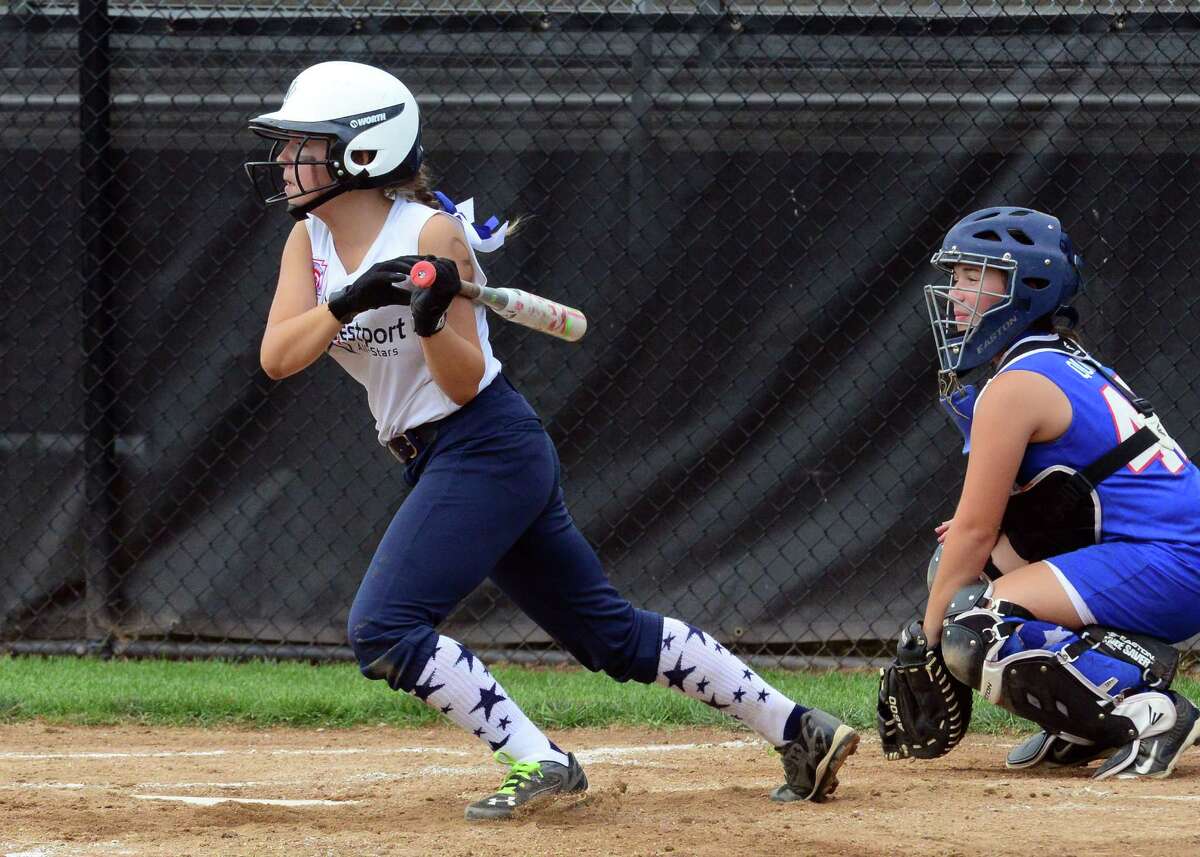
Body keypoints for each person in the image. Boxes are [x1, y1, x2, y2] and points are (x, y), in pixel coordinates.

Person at [244, 60, 858, 820]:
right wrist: (352, 295)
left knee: (383, 625)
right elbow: (278, 355)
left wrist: (431, 314)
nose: (284, 160)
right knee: (609, 636)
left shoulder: (431, 232)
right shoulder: (308, 242)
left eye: (303, 144)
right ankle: (801, 728)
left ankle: (537, 758)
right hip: (440, 456)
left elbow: (465, 382)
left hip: (485, 443)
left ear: (362, 153)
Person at [921, 206, 1200, 779]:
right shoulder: (1057, 360)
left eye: (975, 277)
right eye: (956, 276)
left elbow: (974, 532)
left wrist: (924, 652)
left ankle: (1145, 711)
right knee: (961, 571)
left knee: (972, 622)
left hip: (1176, 560)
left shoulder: (1018, 383)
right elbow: (1027, 514)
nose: (955, 294)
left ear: (1026, 288)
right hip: (1164, 551)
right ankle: (1083, 722)